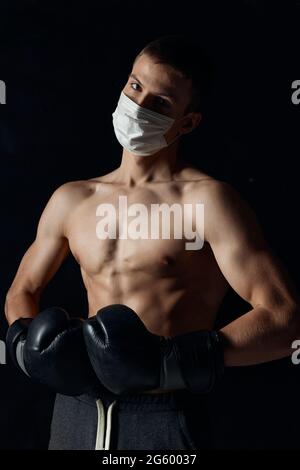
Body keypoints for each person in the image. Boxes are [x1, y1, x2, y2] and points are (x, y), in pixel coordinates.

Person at [5, 34, 300, 450]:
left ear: (188, 122)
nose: (137, 107)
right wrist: (25, 348)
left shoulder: (208, 201)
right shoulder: (72, 199)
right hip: (75, 411)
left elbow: (286, 321)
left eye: (160, 103)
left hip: (162, 417)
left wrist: (172, 364)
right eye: (134, 86)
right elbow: (23, 291)